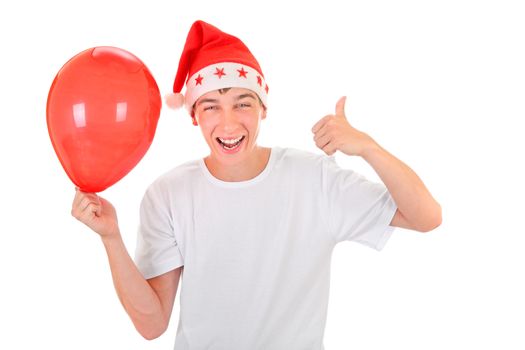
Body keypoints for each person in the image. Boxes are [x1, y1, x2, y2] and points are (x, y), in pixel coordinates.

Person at [71, 20, 441, 350]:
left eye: (242, 104)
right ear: (194, 116)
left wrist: (368, 148)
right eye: (211, 106)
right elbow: (152, 325)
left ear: (263, 108)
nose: (229, 124)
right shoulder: (168, 194)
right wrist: (111, 237)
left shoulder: (315, 179)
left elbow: (426, 216)